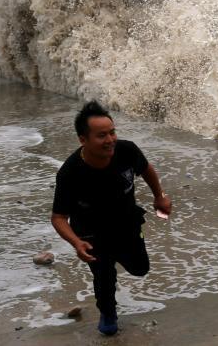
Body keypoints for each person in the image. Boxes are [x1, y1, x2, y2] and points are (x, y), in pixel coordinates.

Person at [51, 100, 172, 336]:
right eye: (101, 136)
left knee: (140, 269)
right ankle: (108, 312)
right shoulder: (70, 173)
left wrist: (159, 196)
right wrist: (76, 243)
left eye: (112, 132)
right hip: (91, 234)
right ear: (83, 140)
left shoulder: (127, 151)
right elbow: (58, 218)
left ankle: (116, 259)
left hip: (127, 223)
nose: (110, 140)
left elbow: (146, 169)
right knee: (104, 276)